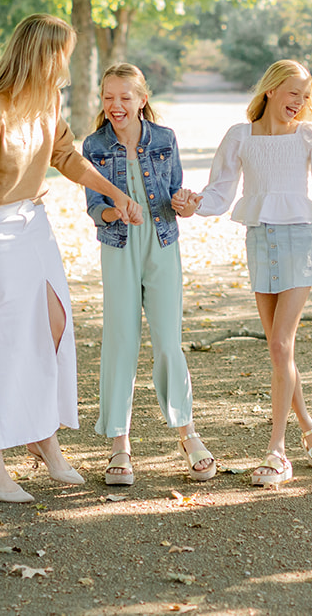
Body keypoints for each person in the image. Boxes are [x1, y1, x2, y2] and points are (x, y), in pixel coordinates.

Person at [0, 14, 144, 504]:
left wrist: (117, 193)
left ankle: (42, 436)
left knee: (55, 324)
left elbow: (67, 157)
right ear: (43, 55)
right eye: (61, 55)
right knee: (2, 343)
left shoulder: (46, 99)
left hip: (30, 222)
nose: (65, 66)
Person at [183, 60, 312, 488]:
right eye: (292, 93)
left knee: (281, 343)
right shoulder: (240, 136)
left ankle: (277, 452)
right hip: (260, 241)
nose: (298, 103)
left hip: (300, 240)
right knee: (280, 352)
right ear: (271, 91)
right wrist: (194, 204)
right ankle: (310, 431)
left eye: (305, 95)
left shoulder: (308, 136)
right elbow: (221, 191)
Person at [80, 64, 217, 485]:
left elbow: (176, 193)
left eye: (124, 97)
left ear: (142, 99)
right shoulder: (94, 145)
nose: (115, 105)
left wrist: (185, 202)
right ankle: (120, 445)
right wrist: (113, 209)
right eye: (108, 97)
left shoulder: (165, 138)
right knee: (120, 340)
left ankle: (187, 434)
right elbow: (93, 208)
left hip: (162, 243)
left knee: (167, 342)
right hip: (119, 246)